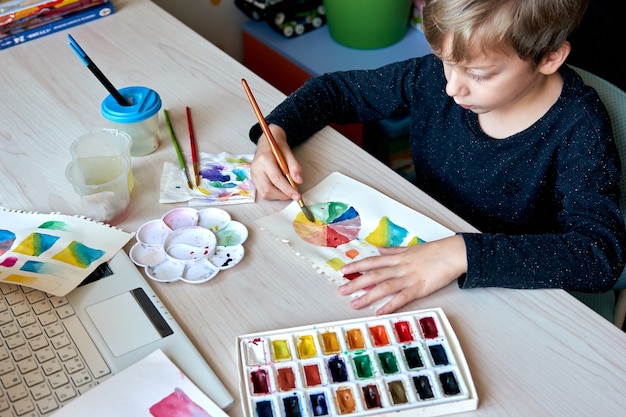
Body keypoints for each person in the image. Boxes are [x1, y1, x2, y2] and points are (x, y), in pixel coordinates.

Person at [247, 0, 626, 315]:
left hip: (511, 285)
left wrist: (460, 253)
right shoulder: (435, 79)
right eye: (445, 61)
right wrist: (275, 134)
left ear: (549, 58)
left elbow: (599, 254)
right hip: (427, 245)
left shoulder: (579, 124)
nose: (451, 86)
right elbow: (335, 90)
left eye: (479, 74)